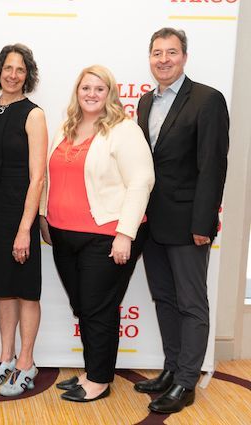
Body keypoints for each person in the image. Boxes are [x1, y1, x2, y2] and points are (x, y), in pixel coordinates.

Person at [39, 65, 154, 402]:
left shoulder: (124, 130)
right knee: (84, 306)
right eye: (85, 87)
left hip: (107, 236)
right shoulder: (67, 127)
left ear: (110, 94)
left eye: (99, 89)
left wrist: (125, 234)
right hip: (63, 235)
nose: (91, 94)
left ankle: (99, 380)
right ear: (78, 91)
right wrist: (46, 218)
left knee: (98, 307)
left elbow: (141, 181)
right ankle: (92, 370)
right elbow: (52, 176)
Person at [134, 28, 229, 414]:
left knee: (191, 303)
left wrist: (203, 224)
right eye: (157, 53)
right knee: (164, 299)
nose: (163, 59)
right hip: (151, 224)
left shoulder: (207, 100)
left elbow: (213, 166)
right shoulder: (144, 102)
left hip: (190, 224)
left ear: (185, 57)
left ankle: (187, 381)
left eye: (171, 52)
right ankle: (171, 369)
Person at [0, 44, 48, 396]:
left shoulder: (34, 115)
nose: (13, 74)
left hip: (20, 213)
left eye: (20, 69)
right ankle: (5, 358)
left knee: (25, 291)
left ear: (27, 75)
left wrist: (24, 229)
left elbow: (38, 178)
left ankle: (27, 363)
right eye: (8, 68)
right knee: (3, 288)